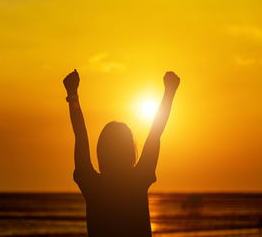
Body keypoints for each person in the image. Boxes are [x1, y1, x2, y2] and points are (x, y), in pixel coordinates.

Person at [63, 69, 180, 237]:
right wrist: (169, 93)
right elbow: (155, 133)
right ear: (130, 151)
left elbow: (80, 136)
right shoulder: (138, 180)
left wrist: (73, 95)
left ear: (101, 151)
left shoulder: (93, 185)